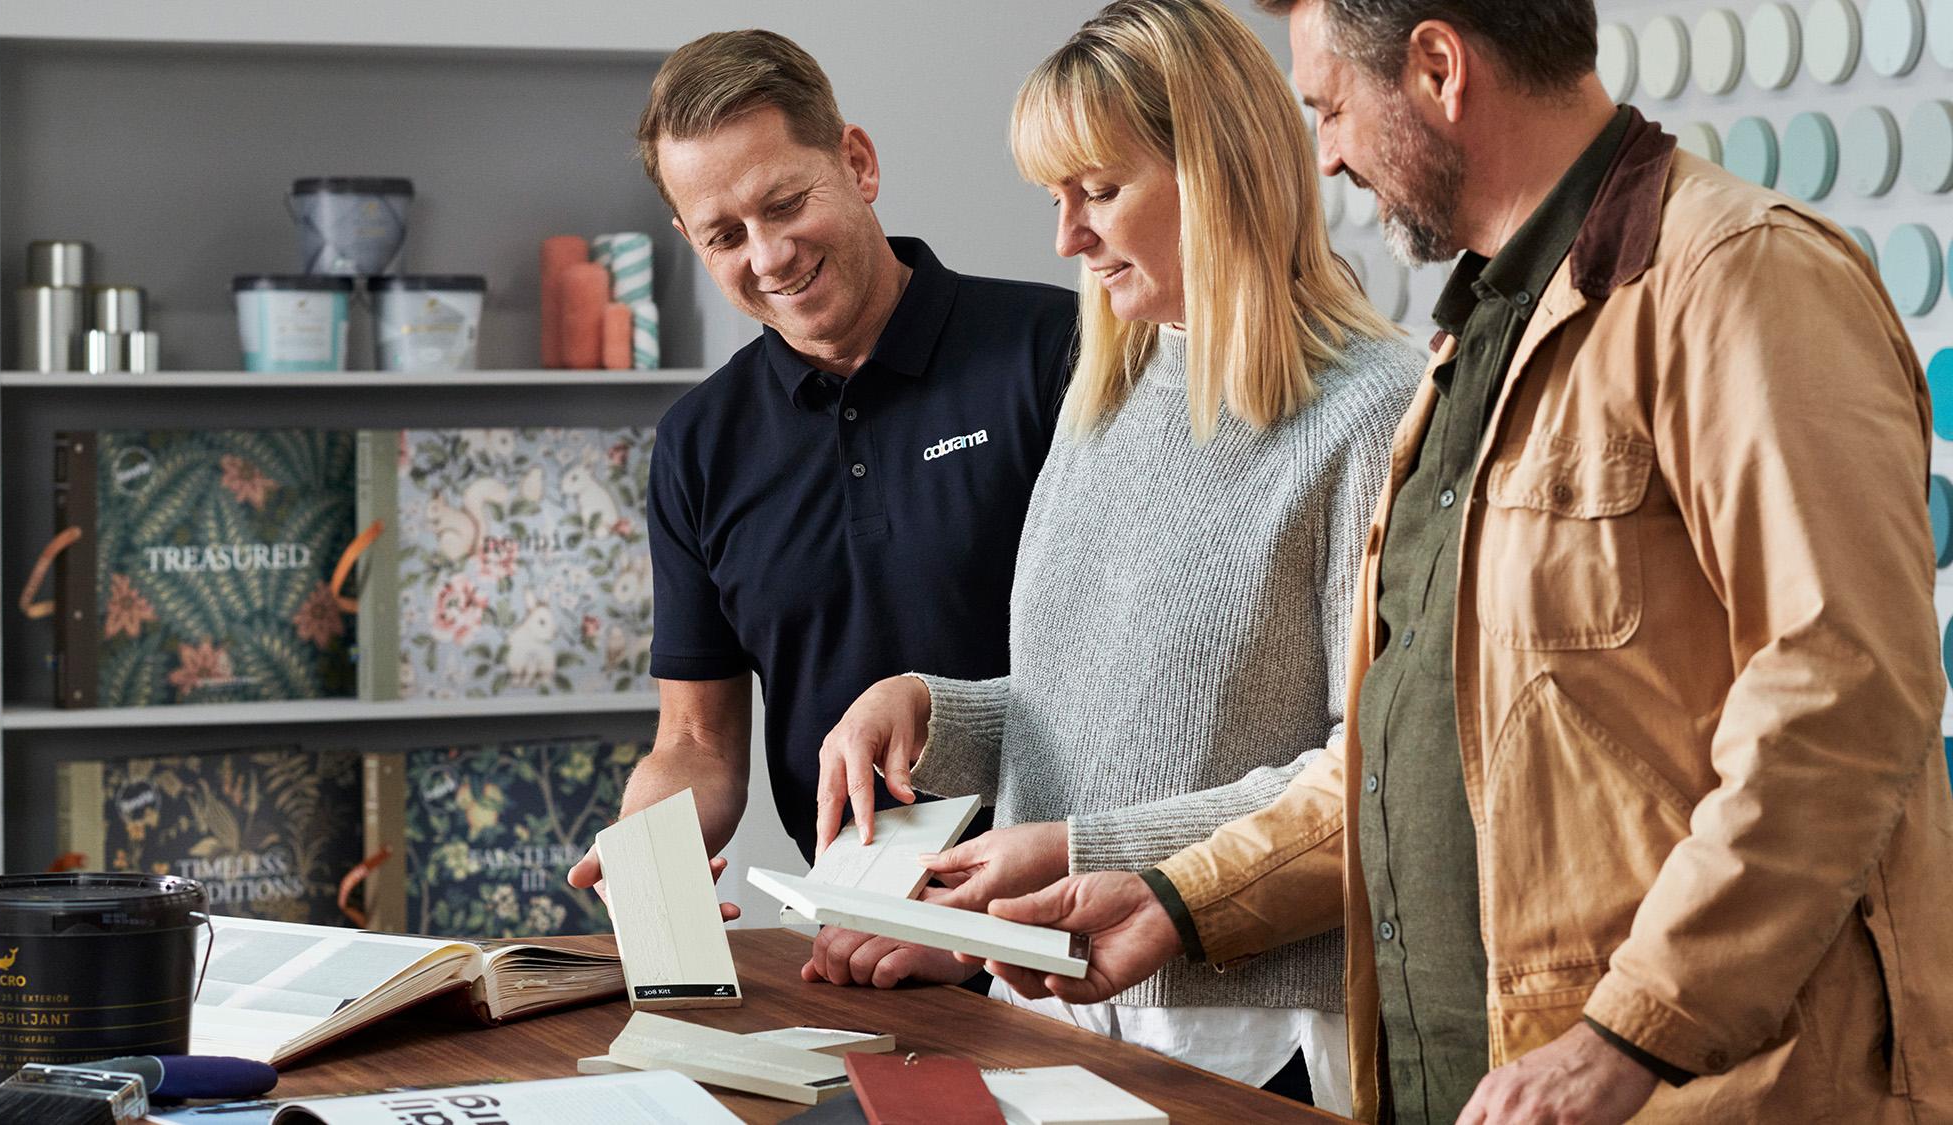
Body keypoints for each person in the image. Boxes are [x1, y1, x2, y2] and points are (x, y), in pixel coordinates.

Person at [970, 1, 1953, 1123]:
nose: (1325, 155)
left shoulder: (1743, 279)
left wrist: (1627, 1034)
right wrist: (1179, 902)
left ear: (1436, 68)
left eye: (1331, 108)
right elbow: (1401, 747)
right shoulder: (1471, 348)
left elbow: (1837, 703)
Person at [808, 0, 1415, 1110]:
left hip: (1243, 1031)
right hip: (1052, 1004)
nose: (1065, 239)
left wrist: (1078, 848)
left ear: (1219, 170)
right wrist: (934, 713)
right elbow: (1117, 700)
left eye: (1097, 191)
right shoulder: (1114, 397)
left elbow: (1368, 775)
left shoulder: (1370, 415)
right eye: (1054, 198)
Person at [565, 30, 1076, 917]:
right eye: (725, 235)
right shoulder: (698, 444)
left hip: (1063, 909)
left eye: (785, 204)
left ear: (857, 162)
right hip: (857, 927)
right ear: (690, 239)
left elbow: (1138, 676)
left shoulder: (1058, 354)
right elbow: (696, 739)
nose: (768, 256)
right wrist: (649, 858)